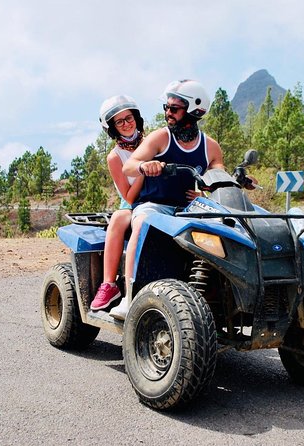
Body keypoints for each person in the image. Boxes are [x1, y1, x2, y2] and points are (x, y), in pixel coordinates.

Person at [108, 79, 225, 320]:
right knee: (142, 223)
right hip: (154, 206)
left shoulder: (210, 147)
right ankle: (129, 297)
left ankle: (218, 295)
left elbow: (219, 178)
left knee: (224, 227)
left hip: (190, 207)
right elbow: (129, 166)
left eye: (174, 108)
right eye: (166, 107)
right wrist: (144, 166)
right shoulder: (160, 137)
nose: (167, 113)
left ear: (195, 111)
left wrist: (212, 189)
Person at [89, 95, 145, 311]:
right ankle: (109, 284)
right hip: (133, 203)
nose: (126, 124)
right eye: (119, 121)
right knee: (119, 219)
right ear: (112, 127)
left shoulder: (153, 142)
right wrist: (144, 171)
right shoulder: (115, 156)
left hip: (162, 197)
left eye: (128, 117)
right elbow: (129, 196)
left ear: (136, 118)